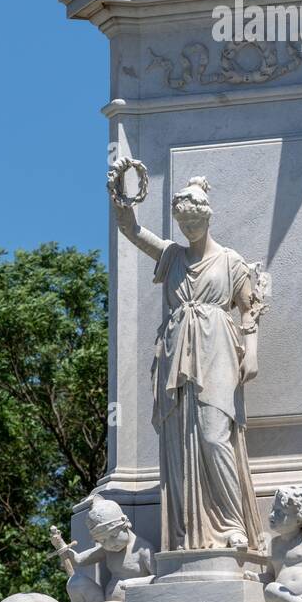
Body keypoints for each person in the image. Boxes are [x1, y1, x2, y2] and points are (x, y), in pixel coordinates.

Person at [113, 175, 264, 552]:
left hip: (217, 346)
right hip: (176, 350)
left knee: (215, 435)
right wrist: (121, 196)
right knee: (181, 441)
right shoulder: (171, 256)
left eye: (194, 222)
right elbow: (130, 229)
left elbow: (250, 309)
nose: (188, 229)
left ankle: (231, 522)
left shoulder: (231, 261)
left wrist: (254, 352)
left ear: (208, 218)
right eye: (182, 224)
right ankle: (188, 527)